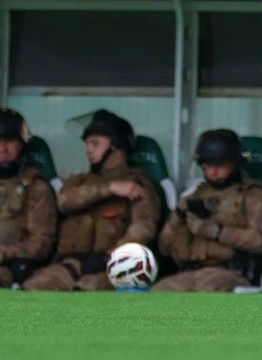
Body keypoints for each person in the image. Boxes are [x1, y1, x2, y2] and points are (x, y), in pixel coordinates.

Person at [23, 109, 161, 291]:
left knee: (87, 291)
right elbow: (64, 201)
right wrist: (110, 188)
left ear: (115, 146)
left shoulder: (138, 183)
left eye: (95, 143)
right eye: (87, 144)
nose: (88, 150)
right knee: (35, 287)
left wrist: (114, 257)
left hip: (111, 267)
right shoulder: (79, 181)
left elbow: (143, 229)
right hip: (69, 264)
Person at [153, 129, 262, 292]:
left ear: (235, 163)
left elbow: (261, 242)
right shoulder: (194, 195)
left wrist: (217, 232)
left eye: (219, 165)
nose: (212, 171)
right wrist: (177, 217)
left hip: (231, 273)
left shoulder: (252, 196)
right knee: (160, 292)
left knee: (207, 293)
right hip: (190, 273)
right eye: (207, 165)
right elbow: (164, 247)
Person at [0, 108, 56, 288]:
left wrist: (6, 252)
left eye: (9, 141)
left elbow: (41, 243)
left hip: (11, 267)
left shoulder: (35, 187)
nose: (2, 149)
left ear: (22, 145)